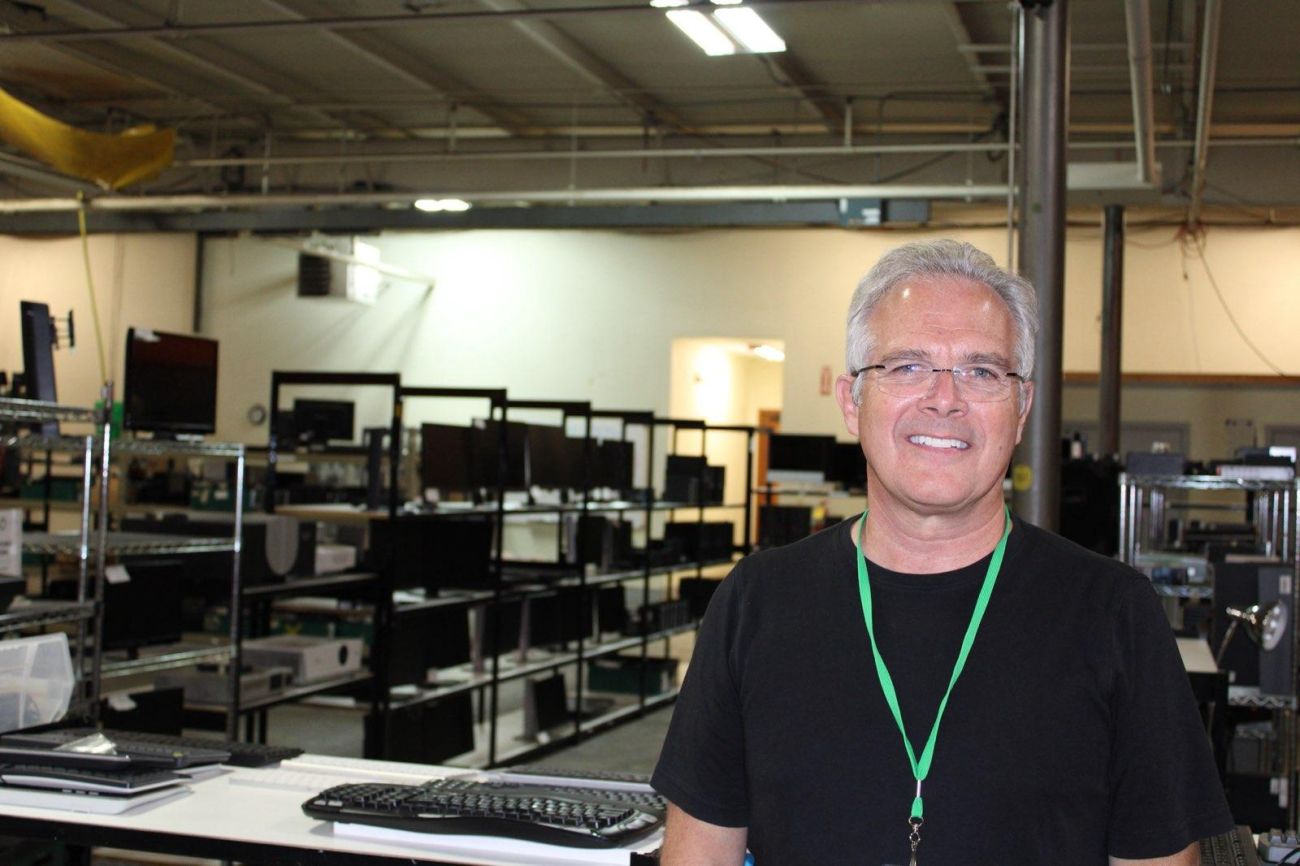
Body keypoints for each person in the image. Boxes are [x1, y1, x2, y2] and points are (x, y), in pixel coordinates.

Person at [651, 239, 1232, 865]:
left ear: (1022, 409)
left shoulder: (1113, 613)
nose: (944, 399)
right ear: (852, 401)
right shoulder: (756, 602)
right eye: (906, 367)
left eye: (982, 372)